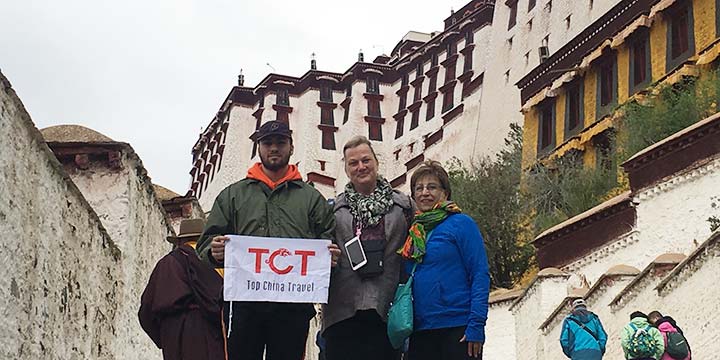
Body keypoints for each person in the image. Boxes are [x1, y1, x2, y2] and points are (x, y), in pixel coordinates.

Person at [196, 120, 339, 360]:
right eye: (268, 143)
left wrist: (330, 257)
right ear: (259, 148)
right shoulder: (233, 195)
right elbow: (206, 243)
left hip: (292, 304)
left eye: (280, 142)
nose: (274, 148)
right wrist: (214, 250)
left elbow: (327, 238)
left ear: (291, 147)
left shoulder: (311, 198)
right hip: (243, 303)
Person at [322, 136, 414, 360]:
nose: (361, 167)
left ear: (376, 162)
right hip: (342, 312)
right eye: (353, 163)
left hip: (386, 311)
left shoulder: (404, 207)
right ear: (346, 169)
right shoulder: (332, 212)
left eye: (366, 160)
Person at [399, 160, 490, 359]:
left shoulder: (461, 224)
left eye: (432, 187)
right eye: (419, 188)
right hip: (421, 331)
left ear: (445, 193)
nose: (425, 193)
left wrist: (476, 325)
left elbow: (479, 274)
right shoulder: (414, 232)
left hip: (458, 327)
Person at [139, 218, 225, 360]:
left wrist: (164, 336)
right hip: (207, 334)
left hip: (173, 333)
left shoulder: (166, 263)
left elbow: (146, 312)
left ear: (179, 242)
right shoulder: (215, 266)